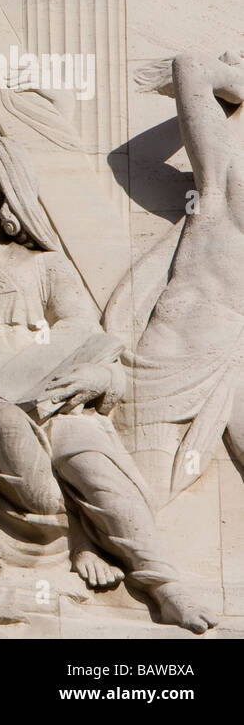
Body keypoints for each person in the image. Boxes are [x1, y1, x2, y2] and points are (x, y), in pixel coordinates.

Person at [0, 138, 215, 633]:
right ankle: (78, 537)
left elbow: (89, 337)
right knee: (5, 425)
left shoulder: (44, 264)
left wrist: (97, 376)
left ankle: (164, 585)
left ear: (6, 181)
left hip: (43, 403)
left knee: (91, 454)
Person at [116, 50, 244, 501]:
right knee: (138, 490)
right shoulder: (225, 185)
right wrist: (235, 79)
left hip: (229, 350)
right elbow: (191, 65)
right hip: (180, 348)